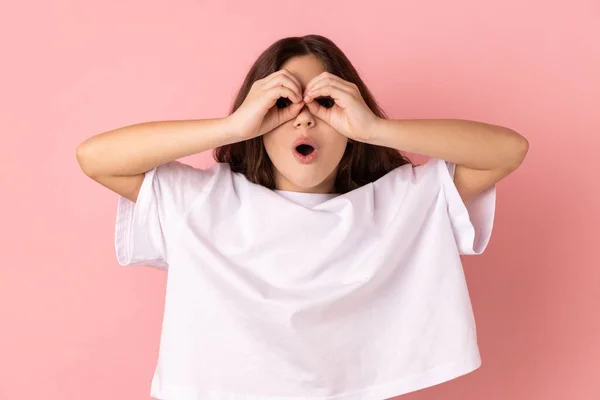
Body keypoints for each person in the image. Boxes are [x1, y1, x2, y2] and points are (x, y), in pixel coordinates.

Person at [76, 34, 528, 400]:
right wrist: (232, 126)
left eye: (325, 104)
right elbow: (96, 157)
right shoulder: (203, 201)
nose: (304, 121)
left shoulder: (400, 204)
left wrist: (375, 129)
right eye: (283, 104)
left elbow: (508, 151)